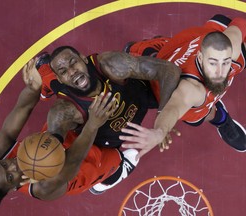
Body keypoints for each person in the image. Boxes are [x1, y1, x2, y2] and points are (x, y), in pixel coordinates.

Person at [0, 59, 139, 206]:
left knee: (60, 111)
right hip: (83, 166)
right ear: (13, 188)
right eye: (10, 177)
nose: (13, 165)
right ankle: (109, 179)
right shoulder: (43, 188)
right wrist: (93, 124)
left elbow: (23, 108)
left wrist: (33, 87)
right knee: (116, 158)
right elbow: (74, 159)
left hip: (59, 138)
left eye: (5, 164)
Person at [120, 14, 246, 158]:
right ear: (200, 57)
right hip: (160, 86)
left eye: (226, 62)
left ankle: (155, 48)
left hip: (186, 43)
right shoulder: (191, 89)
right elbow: (173, 108)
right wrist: (159, 132)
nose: (220, 72)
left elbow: (240, 22)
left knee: (166, 50)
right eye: (213, 63)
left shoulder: (232, 46)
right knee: (202, 113)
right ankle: (222, 120)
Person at [33, 46, 181, 150]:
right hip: (109, 140)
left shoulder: (109, 64)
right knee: (107, 176)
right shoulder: (63, 111)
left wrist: (163, 120)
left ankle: (141, 47)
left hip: (141, 96)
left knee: (184, 93)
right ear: (59, 77)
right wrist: (41, 162)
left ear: (84, 59)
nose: (71, 71)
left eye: (73, 62)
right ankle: (47, 75)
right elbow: (53, 146)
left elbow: (169, 70)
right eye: (63, 71)